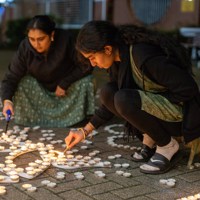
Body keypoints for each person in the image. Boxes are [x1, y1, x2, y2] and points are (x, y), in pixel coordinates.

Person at [65, 20, 200, 174]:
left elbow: (189, 88)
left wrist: (151, 100)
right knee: (108, 92)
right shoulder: (117, 60)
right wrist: (84, 131)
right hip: (160, 110)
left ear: (107, 49)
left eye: (92, 57)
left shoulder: (144, 55)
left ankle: (168, 146)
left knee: (124, 99)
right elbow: (110, 103)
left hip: (181, 116)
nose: (93, 64)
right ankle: (151, 138)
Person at [1, 15, 95, 127]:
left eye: (41, 39)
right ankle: (36, 120)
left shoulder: (66, 40)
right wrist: (7, 101)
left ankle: (76, 119)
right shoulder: (25, 48)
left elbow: (86, 65)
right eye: (32, 39)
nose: (36, 44)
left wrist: (65, 82)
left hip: (67, 90)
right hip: (40, 92)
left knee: (88, 81)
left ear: (52, 35)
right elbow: (11, 77)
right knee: (23, 83)